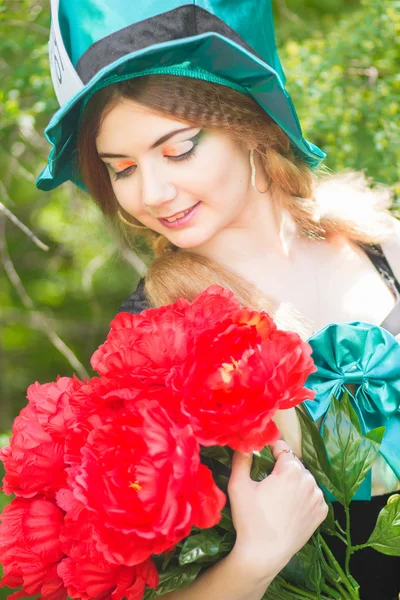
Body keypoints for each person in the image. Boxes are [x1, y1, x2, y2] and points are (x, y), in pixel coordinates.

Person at [37, 1, 400, 598]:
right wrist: (254, 560)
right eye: (122, 169)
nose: (152, 193)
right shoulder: (149, 347)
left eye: (177, 150)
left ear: (247, 122)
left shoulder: (380, 243)